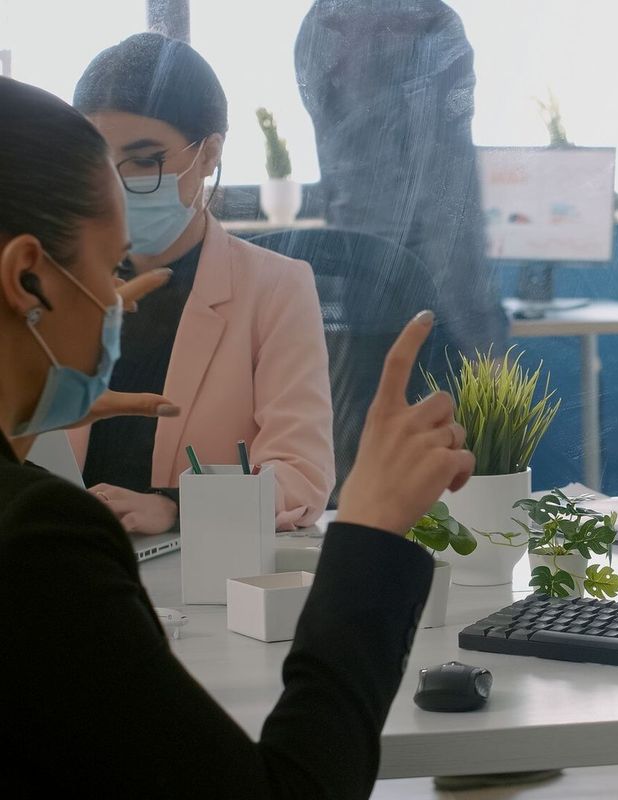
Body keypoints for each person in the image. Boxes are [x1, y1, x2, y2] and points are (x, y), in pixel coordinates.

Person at [0, 76, 473, 796]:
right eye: (104, 265)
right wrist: (372, 531)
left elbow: (298, 471)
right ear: (28, 279)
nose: (115, 299)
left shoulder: (274, 284)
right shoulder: (40, 539)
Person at [69, 33, 335, 533]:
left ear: (209, 154)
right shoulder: (52, 281)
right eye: (97, 162)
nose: (116, 186)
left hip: (196, 566)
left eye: (145, 161)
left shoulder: (276, 288)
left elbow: (300, 475)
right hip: (59, 554)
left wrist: (175, 508)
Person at [294, 0, 509, 358]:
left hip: (362, 284)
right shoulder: (425, 20)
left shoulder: (322, 21)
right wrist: (482, 339)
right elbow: (441, 195)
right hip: (430, 300)